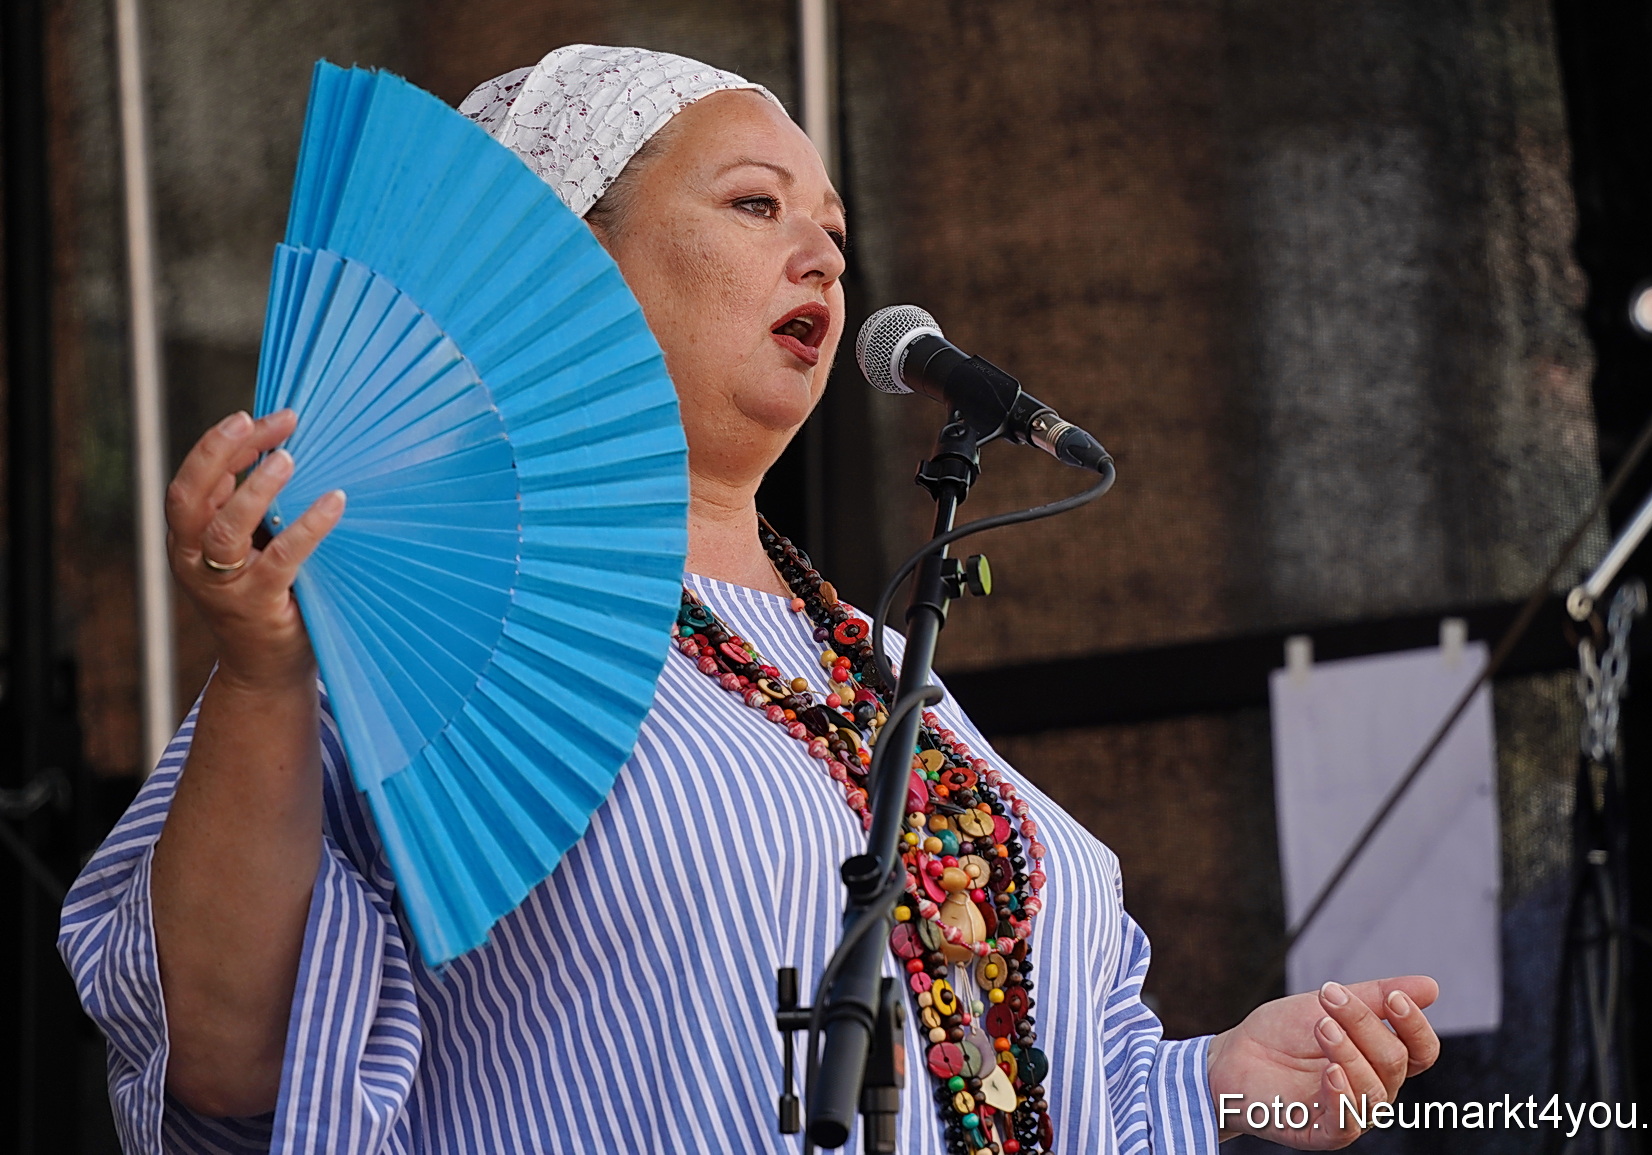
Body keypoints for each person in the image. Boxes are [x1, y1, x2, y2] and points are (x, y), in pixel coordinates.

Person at [60, 44, 1440, 1154]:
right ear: (567, 266)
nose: (830, 258)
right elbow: (229, 1065)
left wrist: (1220, 1090)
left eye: (836, 226)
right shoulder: (428, 618)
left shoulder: (886, 662)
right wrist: (259, 671)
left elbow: (1028, 1072)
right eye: (755, 206)